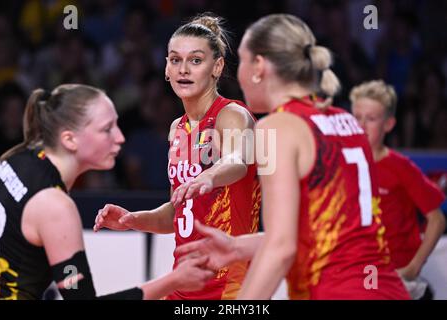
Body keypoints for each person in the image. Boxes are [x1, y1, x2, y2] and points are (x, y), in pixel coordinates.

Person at [177, 14, 411, 300]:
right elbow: (328, 235)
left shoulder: (278, 126)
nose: (238, 75)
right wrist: (239, 248)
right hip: (386, 289)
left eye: (242, 60)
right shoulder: (346, 121)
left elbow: (281, 248)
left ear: (259, 66)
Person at [93, 13, 261, 300]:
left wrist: (209, 175)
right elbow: (177, 213)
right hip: (184, 282)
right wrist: (134, 220)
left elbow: (238, 162)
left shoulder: (231, 115)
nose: (184, 69)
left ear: (217, 67)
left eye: (196, 60)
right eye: (175, 60)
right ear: (166, 70)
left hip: (231, 286)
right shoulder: (176, 128)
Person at [0, 84, 213, 300]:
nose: (120, 137)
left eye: (117, 125)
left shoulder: (16, 159)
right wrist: (174, 280)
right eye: (106, 129)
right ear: (69, 139)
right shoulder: (55, 206)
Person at [350, 80, 446, 299]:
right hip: (357, 272)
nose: (362, 125)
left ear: (389, 124)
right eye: (357, 117)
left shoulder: (401, 167)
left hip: (394, 274)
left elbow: (437, 219)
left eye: (371, 119)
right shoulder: (343, 164)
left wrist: (413, 268)